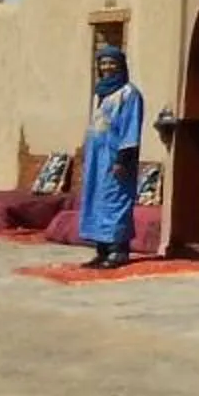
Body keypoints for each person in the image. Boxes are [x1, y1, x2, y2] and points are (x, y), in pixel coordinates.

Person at [80, 45, 146, 270]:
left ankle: (119, 251)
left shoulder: (129, 94)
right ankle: (102, 250)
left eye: (112, 63)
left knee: (115, 201)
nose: (107, 67)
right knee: (97, 200)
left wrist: (123, 160)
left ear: (120, 65)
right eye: (103, 63)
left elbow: (130, 129)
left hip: (115, 158)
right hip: (97, 159)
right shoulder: (101, 93)